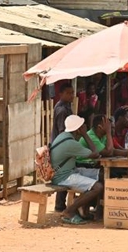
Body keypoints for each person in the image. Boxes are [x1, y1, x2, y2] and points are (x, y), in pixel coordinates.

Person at [50, 115, 104, 225]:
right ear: (78, 129)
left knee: (102, 175)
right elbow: (95, 153)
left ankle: (87, 209)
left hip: (69, 172)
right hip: (63, 177)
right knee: (98, 187)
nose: (85, 127)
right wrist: (85, 134)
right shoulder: (71, 144)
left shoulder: (62, 136)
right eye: (82, 126)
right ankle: (69, 211)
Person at [51, 83, 75, 212]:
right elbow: (62, 131)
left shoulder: (66, 107)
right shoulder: (62, 110)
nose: (71, 95)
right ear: (61, 94)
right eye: (68, 93)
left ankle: (61, 204)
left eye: (72, 92)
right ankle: (60, 205)